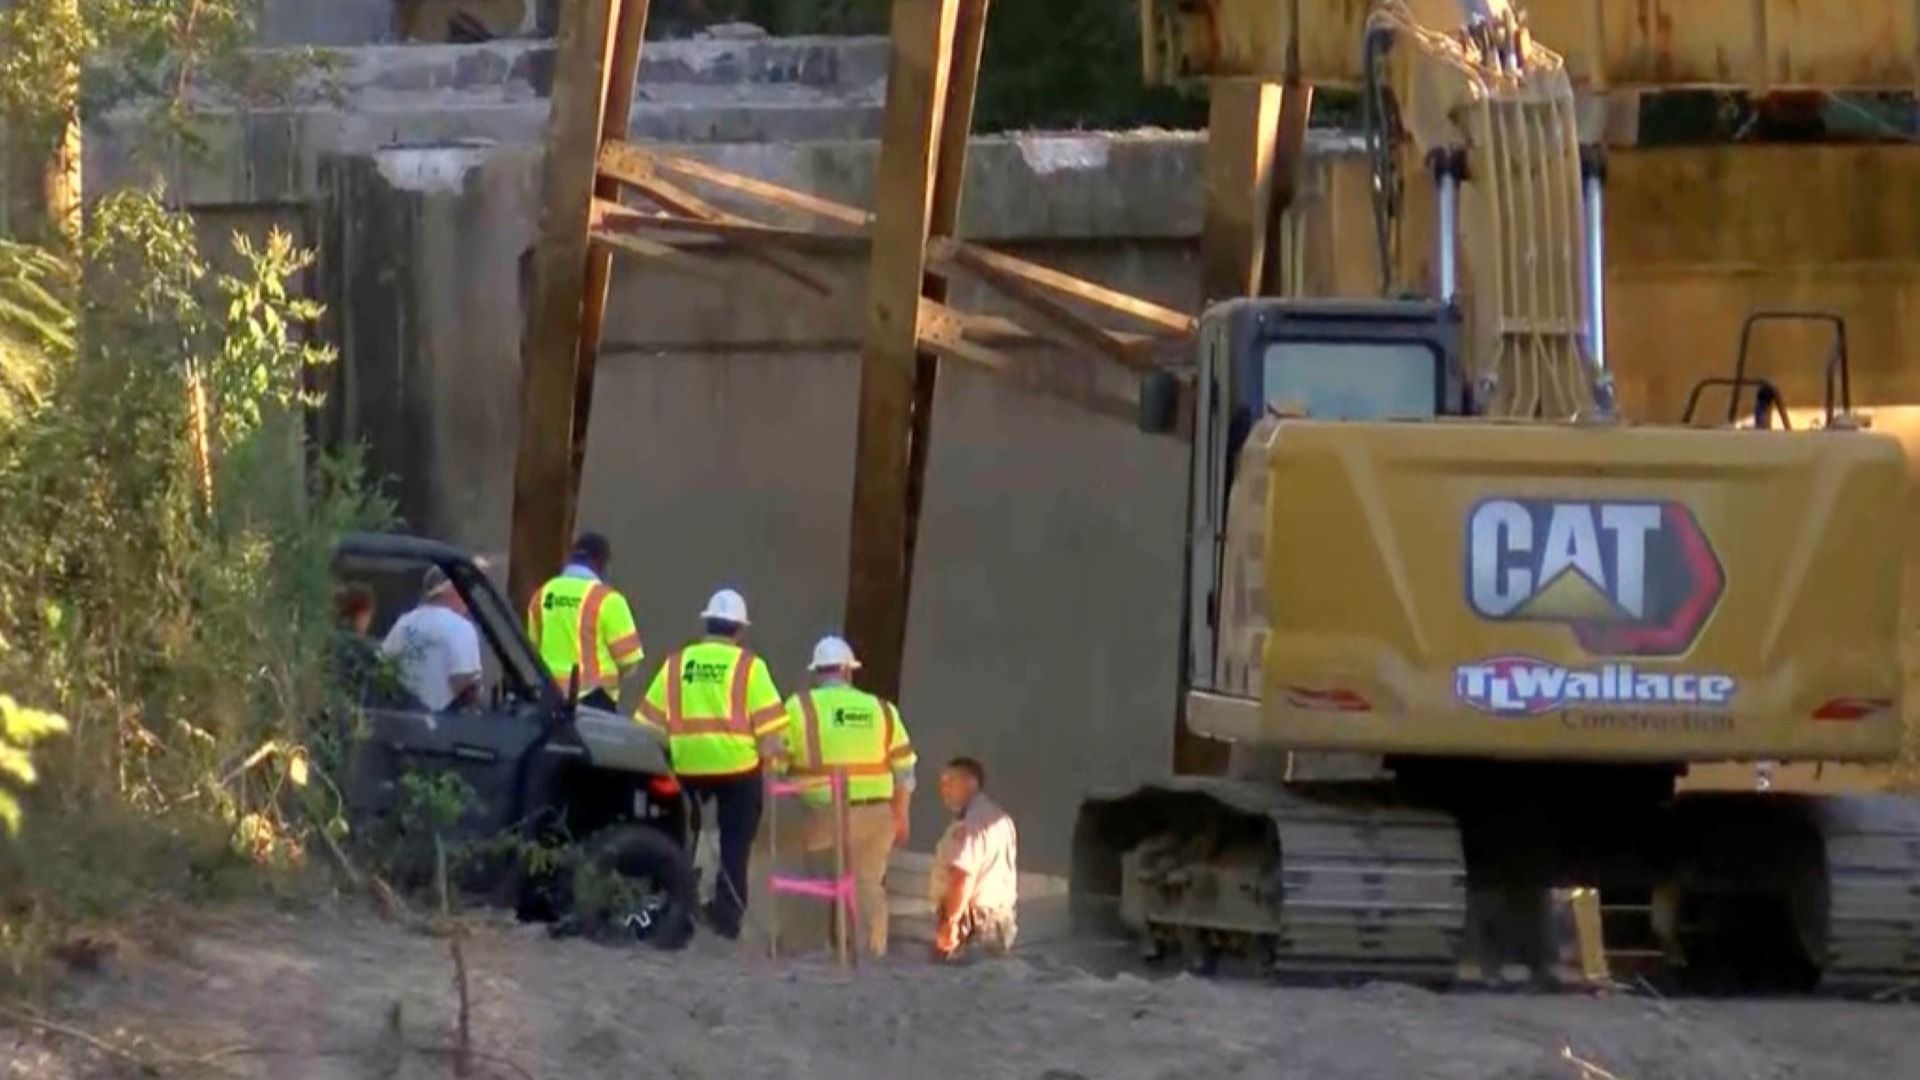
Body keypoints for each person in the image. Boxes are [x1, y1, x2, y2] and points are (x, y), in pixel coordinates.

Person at [635, 588, 787, 940]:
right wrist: (775, 760)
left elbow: (646, 725)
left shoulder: (676, 664)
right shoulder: (750, 667)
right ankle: (726, 918)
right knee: (736, 846)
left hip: (686, 767)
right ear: (739, 630)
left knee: (676, 839)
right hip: (737, 769)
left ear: (707, 623)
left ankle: (675, 905)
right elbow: (771, 734)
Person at [778, 635, 916, 958]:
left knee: (819, 883)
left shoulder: (800, 707)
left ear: (816, 673)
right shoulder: (882, 709)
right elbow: (905, 770)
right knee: (868, 886)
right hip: (878, 815)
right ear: (849, 672)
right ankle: (867, 954)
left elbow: (777, 764)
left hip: (824, 813)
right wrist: (901, 813)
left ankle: (818, 951)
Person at [526, 532, 644, 711]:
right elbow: (629, 661)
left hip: (548, 699)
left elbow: (532, 646)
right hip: (594, 703)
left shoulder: (542, 594)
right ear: (601, 563)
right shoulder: (609, 600)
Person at [930, 756, 1019, 961]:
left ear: (970, 783)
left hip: (971, 926)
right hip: (1000, 920)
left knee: (959, 985)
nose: (943, 789)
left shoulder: (968, 825)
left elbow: (962, 876)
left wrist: (950, 923)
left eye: (949, 781)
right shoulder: (1001, 819)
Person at [380, 565, 482, 712]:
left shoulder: (404, 622)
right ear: (453, 591)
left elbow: (384, 669)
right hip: (443, 726)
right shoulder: (461, 628)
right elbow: (464, 682)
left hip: (400, 721)